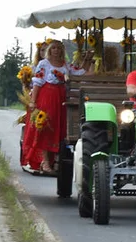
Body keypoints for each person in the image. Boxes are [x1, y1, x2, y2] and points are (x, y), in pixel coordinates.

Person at [20, 39, 93, 175]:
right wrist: (33, 102)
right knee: (46, 128)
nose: (56, 50)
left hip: (60, 97)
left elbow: (79, 72)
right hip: (47, 97)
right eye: (54, 48)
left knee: (59, 129)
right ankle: (45, 161)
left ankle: (56, 161)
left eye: (59, 48)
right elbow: (38, 82)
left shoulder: (65, 64)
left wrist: (88, 59)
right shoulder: (44, 64)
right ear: (50, 50)